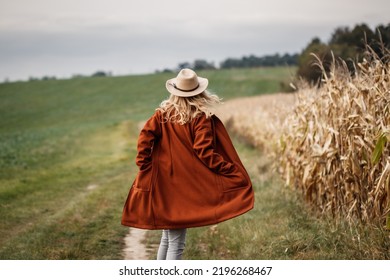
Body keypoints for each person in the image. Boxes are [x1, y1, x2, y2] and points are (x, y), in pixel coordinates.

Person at [121, 68, 254, 260]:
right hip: (183, 188)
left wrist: (144, 164)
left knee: (168, 238)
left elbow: (145, 137)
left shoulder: (162, 115)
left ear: (174, 92)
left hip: (164, 185)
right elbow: (205, 152)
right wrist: (229, 169)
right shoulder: (200, 118)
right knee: (176, 242)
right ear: (199, 92)